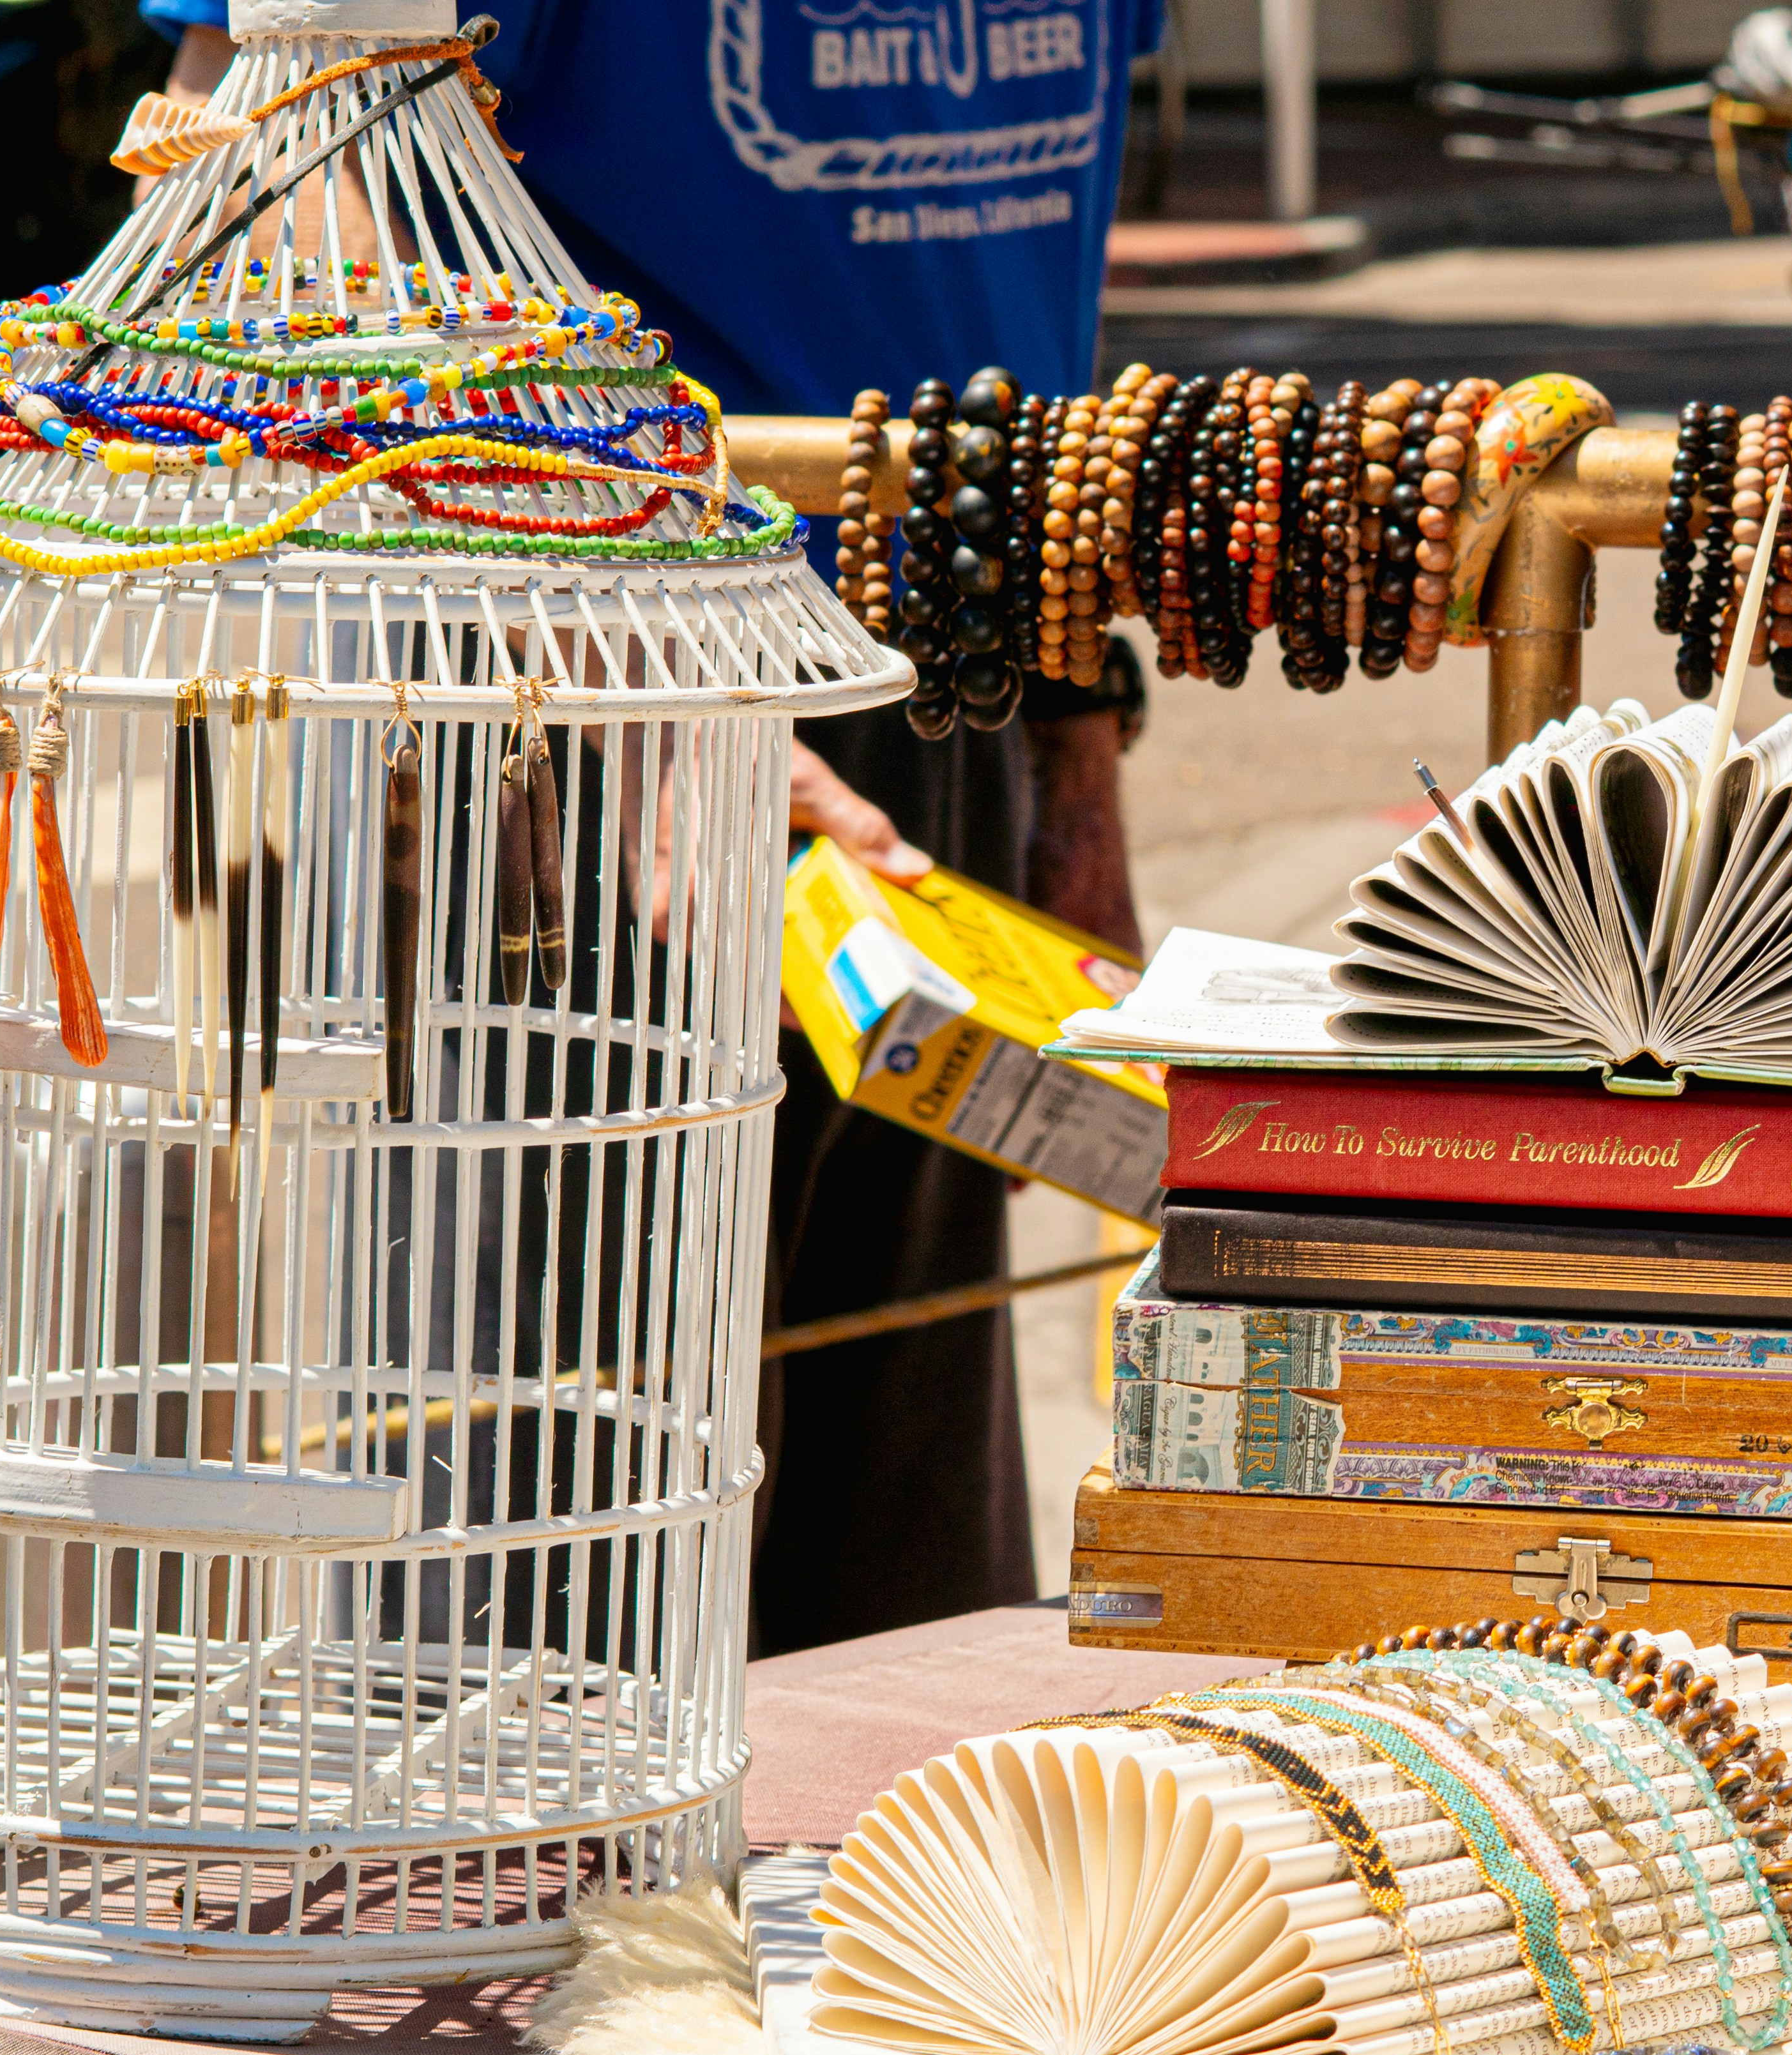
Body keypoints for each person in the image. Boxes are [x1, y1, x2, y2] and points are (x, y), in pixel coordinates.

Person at [144, 0, 1160, 1649]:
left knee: (896, 1603)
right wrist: (626, 636)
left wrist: (1070, 742)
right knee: (547, 1617)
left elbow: (1021, 252)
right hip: (561, 730)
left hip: (932, 700)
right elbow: (259, 157)